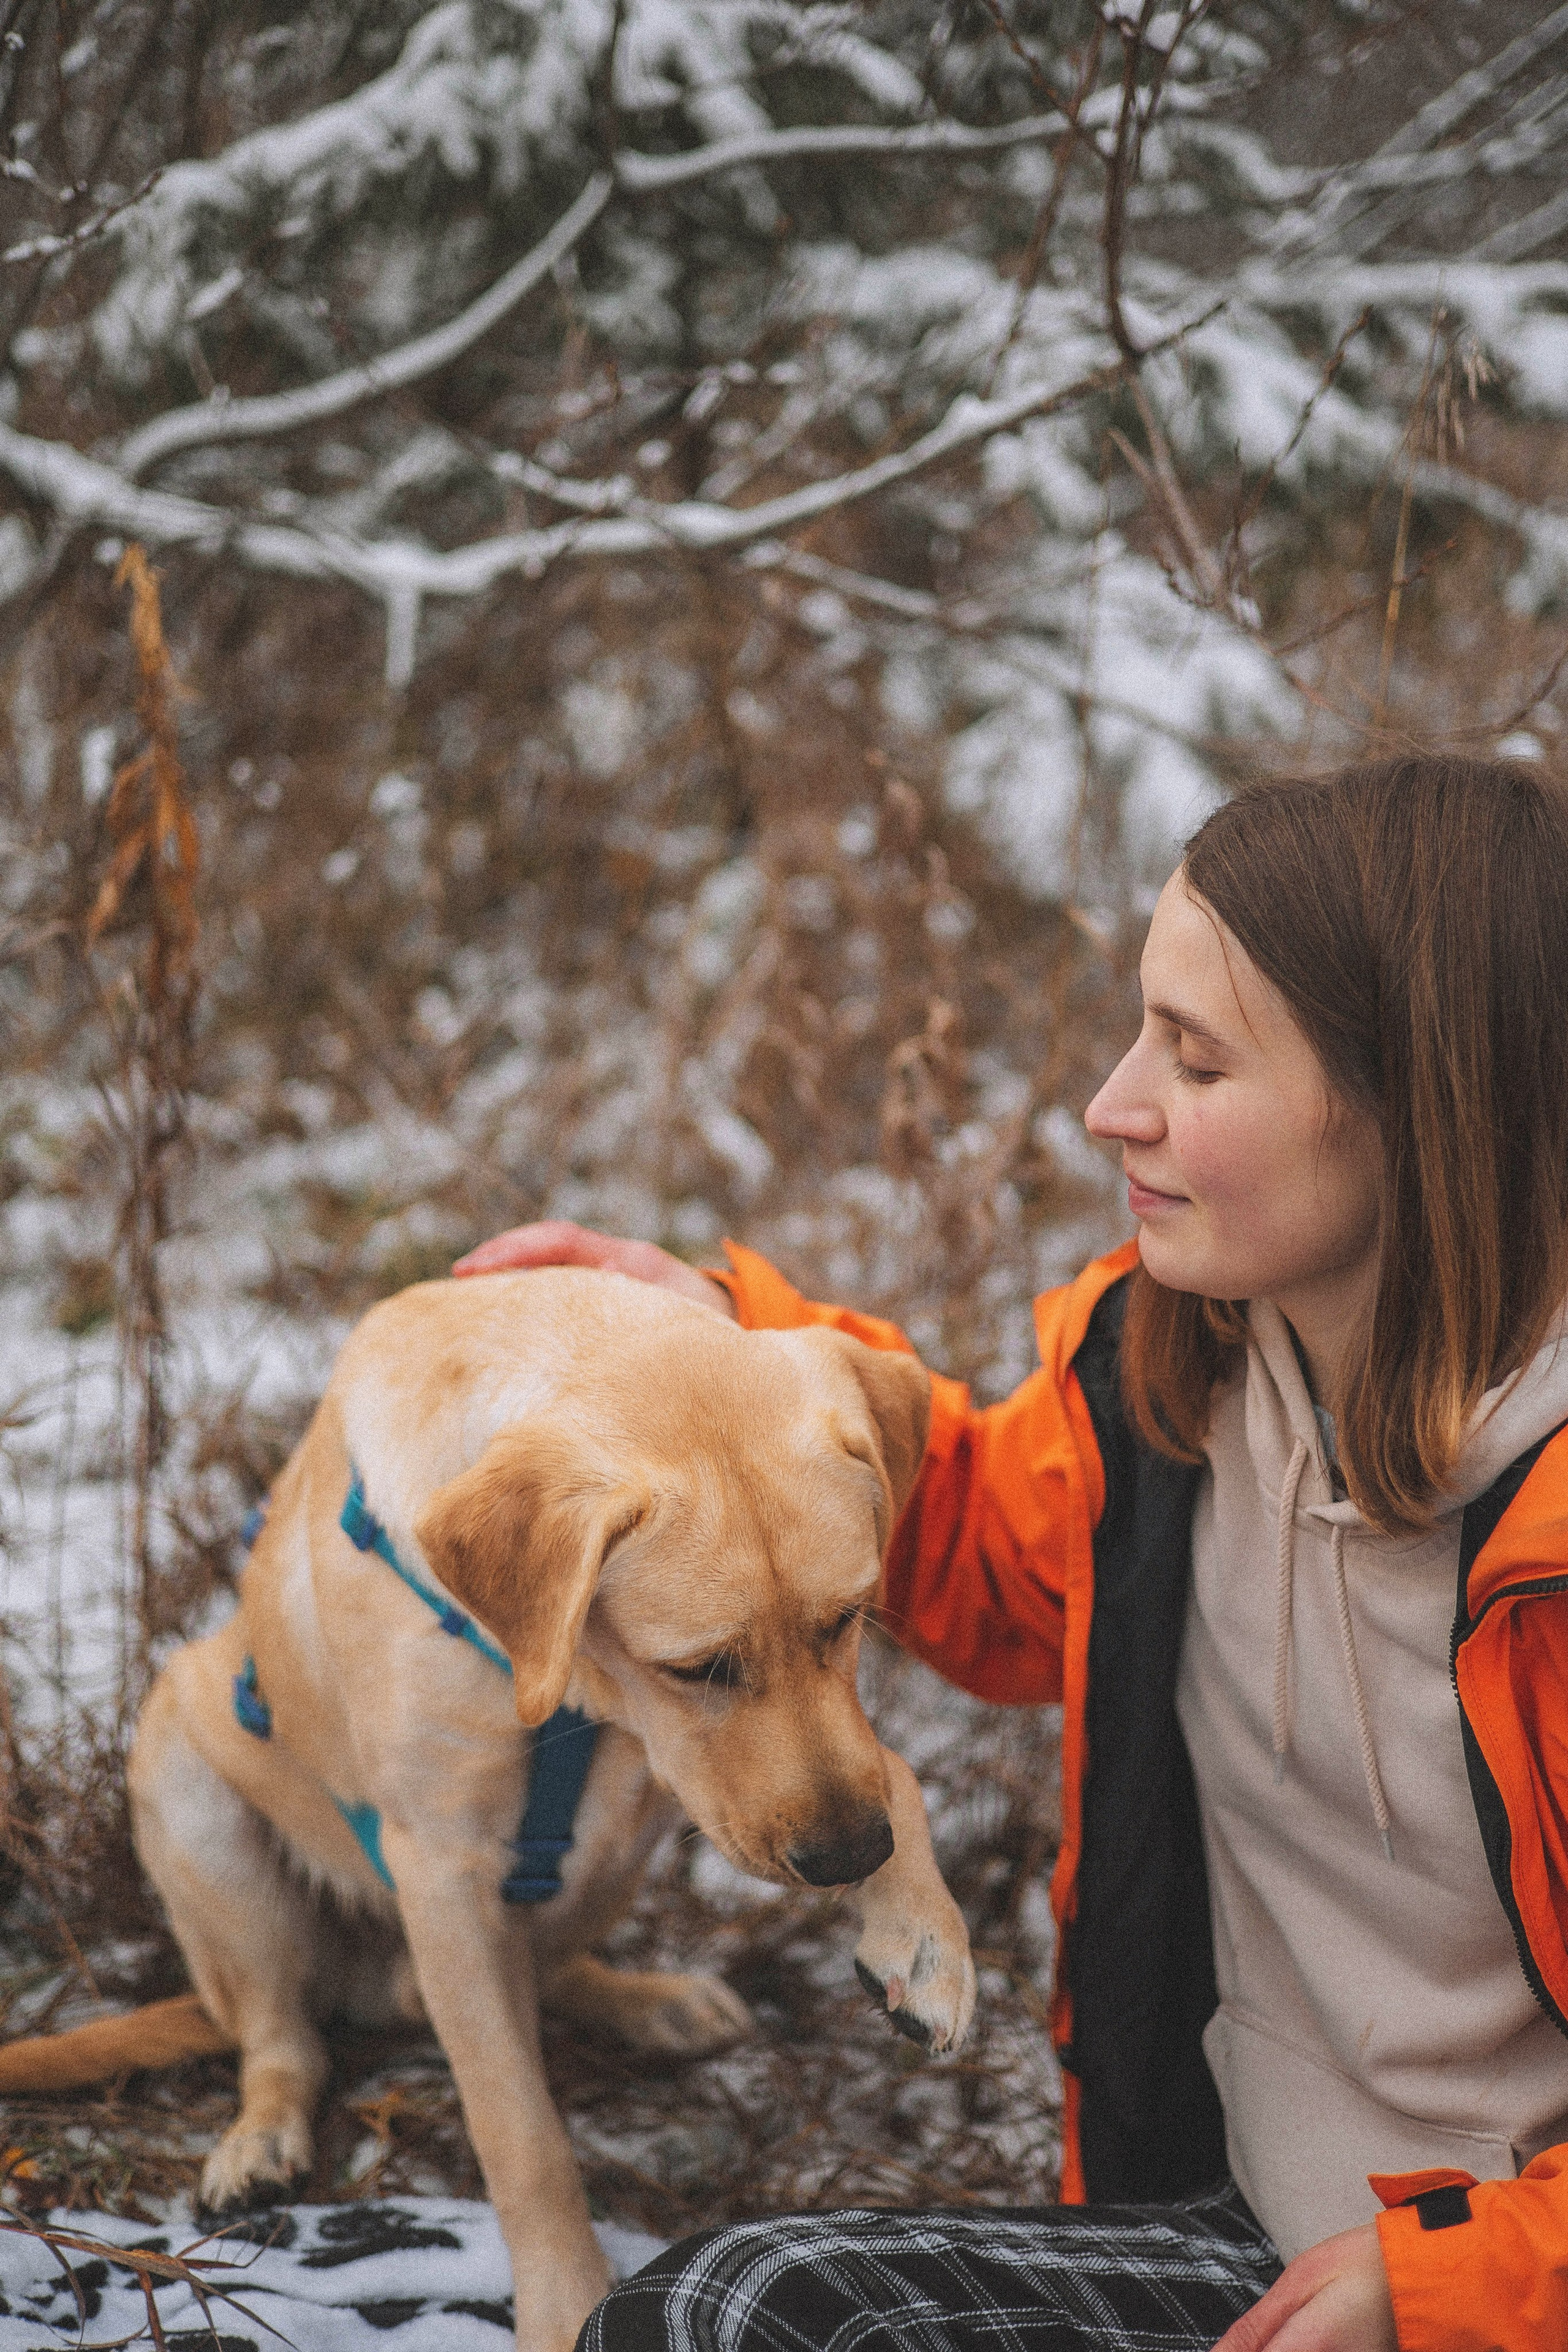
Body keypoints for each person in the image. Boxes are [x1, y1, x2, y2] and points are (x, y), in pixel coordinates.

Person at [454, 756, 1568, 2352]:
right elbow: (975, 1549)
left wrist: (1450, 2286)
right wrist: (730, 1355)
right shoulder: (1170, 1379)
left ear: (1419, 1103)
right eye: (1138, 1032)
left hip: (1483, 2302)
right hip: (1246, 2243)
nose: (1111, 1105)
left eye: (1194, 1062)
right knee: (733, 2318)